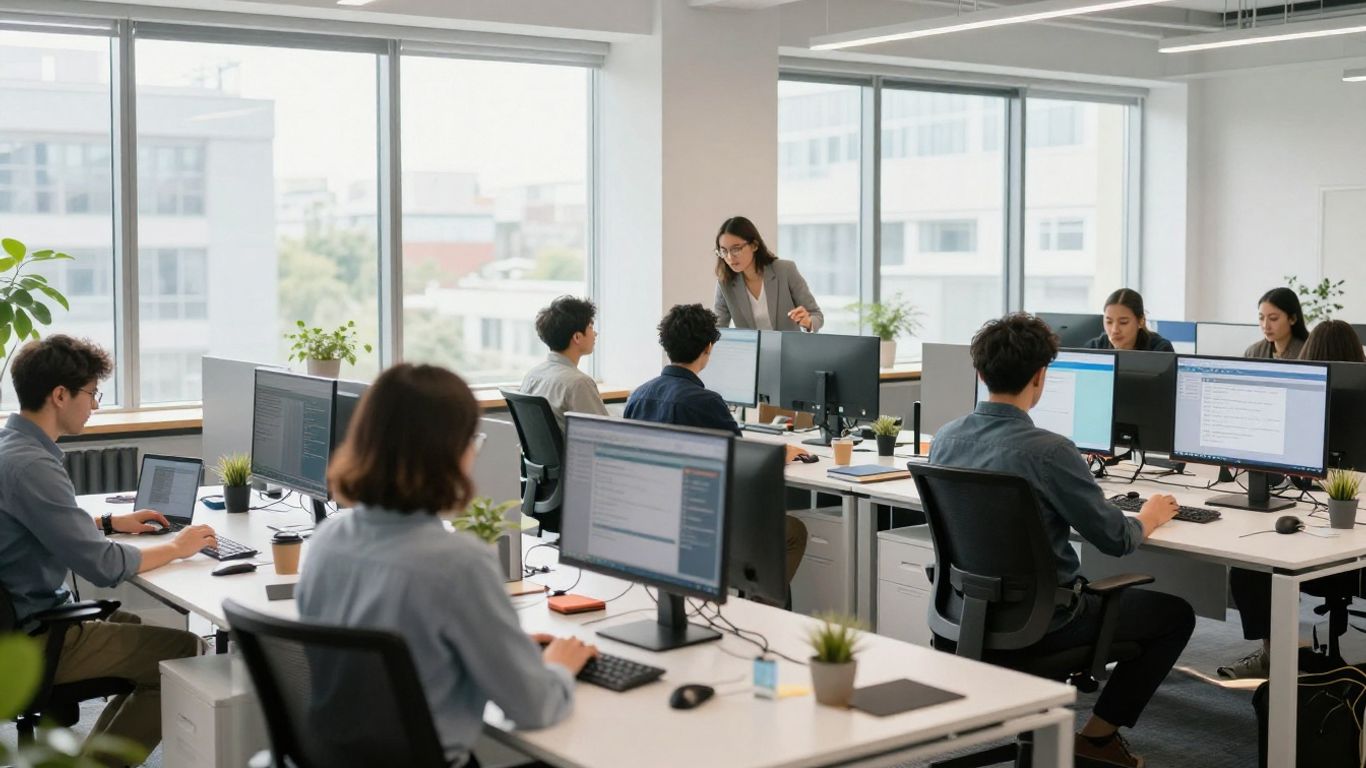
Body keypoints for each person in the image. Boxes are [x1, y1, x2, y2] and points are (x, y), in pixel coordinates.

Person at [298, 363, 596, 767]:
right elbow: (534, 707)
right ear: (452, 452)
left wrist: (506, 647)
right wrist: (559, 666)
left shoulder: (326, 541)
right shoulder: (458, 564)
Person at [931, 313, 1195, 768]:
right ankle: (1097, 739)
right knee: (1176, 615)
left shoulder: (946, 438)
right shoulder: (1050, 451)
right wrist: (1148, 516)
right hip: (1046, 622)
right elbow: (1115, 539)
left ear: (980, 374)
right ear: (1040, 376)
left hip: (965, 611)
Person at [0, 335, 215, 765]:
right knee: (185, 653)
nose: (95, 405)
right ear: (60, 395)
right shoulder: (33, 465)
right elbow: (103, 566)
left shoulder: (12, 447)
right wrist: (178, 545)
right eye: (91, 393)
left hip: (25, 619)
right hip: (33, 636)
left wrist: (109, 523)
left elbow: (33, 525)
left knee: (133, 626)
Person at [1218, 318, 1365, 680]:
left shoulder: (1302, 399)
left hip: (1324, 542)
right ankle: (1279, 656)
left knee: (1251, 565)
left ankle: (1273, 653)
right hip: (1342, 534)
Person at [624, 304, 810, 586]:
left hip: (652, 518)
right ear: (708, 347)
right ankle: (758, 604)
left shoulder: (638, 396)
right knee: (794, 531)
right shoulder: (705, 402)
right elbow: (743, 469)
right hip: (699, 521)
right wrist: (780, 454)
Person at [712, 216, 823, 332]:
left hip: (788, 344)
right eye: (724, 251)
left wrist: (808, 322)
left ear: (754, 245)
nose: (729, 257)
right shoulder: (725, 282)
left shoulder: (785, 270)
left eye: (736, 249)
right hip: (750, 345)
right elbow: (718, 329)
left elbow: (816, 315)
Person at [519, 295, 608, 432]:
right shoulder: (579, 383)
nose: (595, 333)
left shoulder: (532, 376)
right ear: (577, 337)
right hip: (575, 447)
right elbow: (604, 434)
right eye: (590, 327)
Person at [1082, 289, 1175, 352]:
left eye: (1123, 322)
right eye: (1109, 322)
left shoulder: (1160, 349)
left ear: (1141, 321)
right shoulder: (1094, 348)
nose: (1114, 330)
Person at [1244, 287, 1308, 359]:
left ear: (1292, 319)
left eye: (1273, 318)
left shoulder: (1308, 353)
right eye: (1261, 318)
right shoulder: (1253, 353)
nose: (1265, 326)